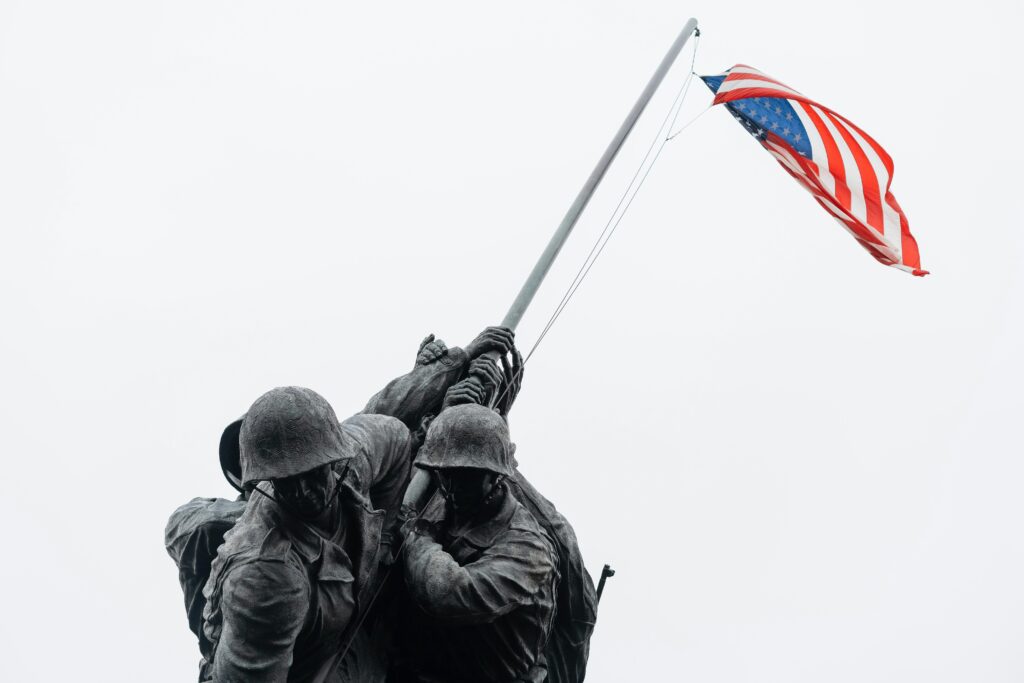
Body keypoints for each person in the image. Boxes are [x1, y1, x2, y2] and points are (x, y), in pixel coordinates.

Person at [165, 327, 515, 679]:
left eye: (311, 472)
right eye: (287, 482)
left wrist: (456, 361)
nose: (303, 491)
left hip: (350, 625)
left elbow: (389, 427)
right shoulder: (265, 576)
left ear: (333, 458)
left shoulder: (355, 456)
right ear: (265, 482)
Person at [398, 404, 559, 683]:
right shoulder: (448, 500)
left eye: (468, 476)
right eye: (446, 474)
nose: (454, 486)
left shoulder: (530, 549)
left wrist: (416, 539)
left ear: (496, 476)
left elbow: (452, 594)